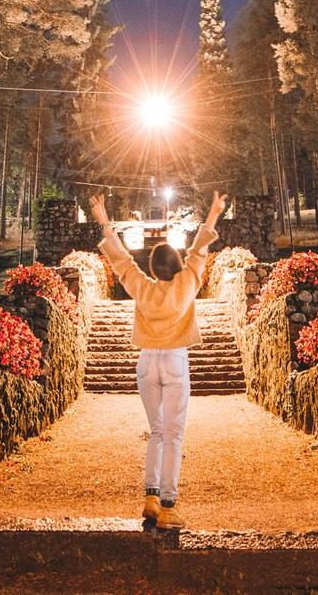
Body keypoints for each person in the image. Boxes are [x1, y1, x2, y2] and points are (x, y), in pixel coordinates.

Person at [89, 190, 228, 530]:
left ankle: (151, 497)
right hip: (175, 360)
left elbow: (122, 262)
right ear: (177, 264)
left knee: (156, 431)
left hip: (147, 363)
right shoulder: (187, 283)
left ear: (153, 267)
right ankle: (168, 505)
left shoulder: (143, 287)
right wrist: (214, 212)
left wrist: (103, 218)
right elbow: (199, 250)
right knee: (172, 434)